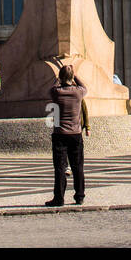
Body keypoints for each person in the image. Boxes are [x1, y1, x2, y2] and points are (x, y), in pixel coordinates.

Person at [45, 65, 87, 207]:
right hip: (75, 134)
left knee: (60, 167)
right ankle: (79, 196)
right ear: (71, 77)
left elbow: (51, 88)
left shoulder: (56, 92)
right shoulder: (78, 92)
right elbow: (84, 86)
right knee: (78, 166)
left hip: (60, 134)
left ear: (61, 77)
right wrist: (74, 76)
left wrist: (58, 79)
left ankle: (59, 198)